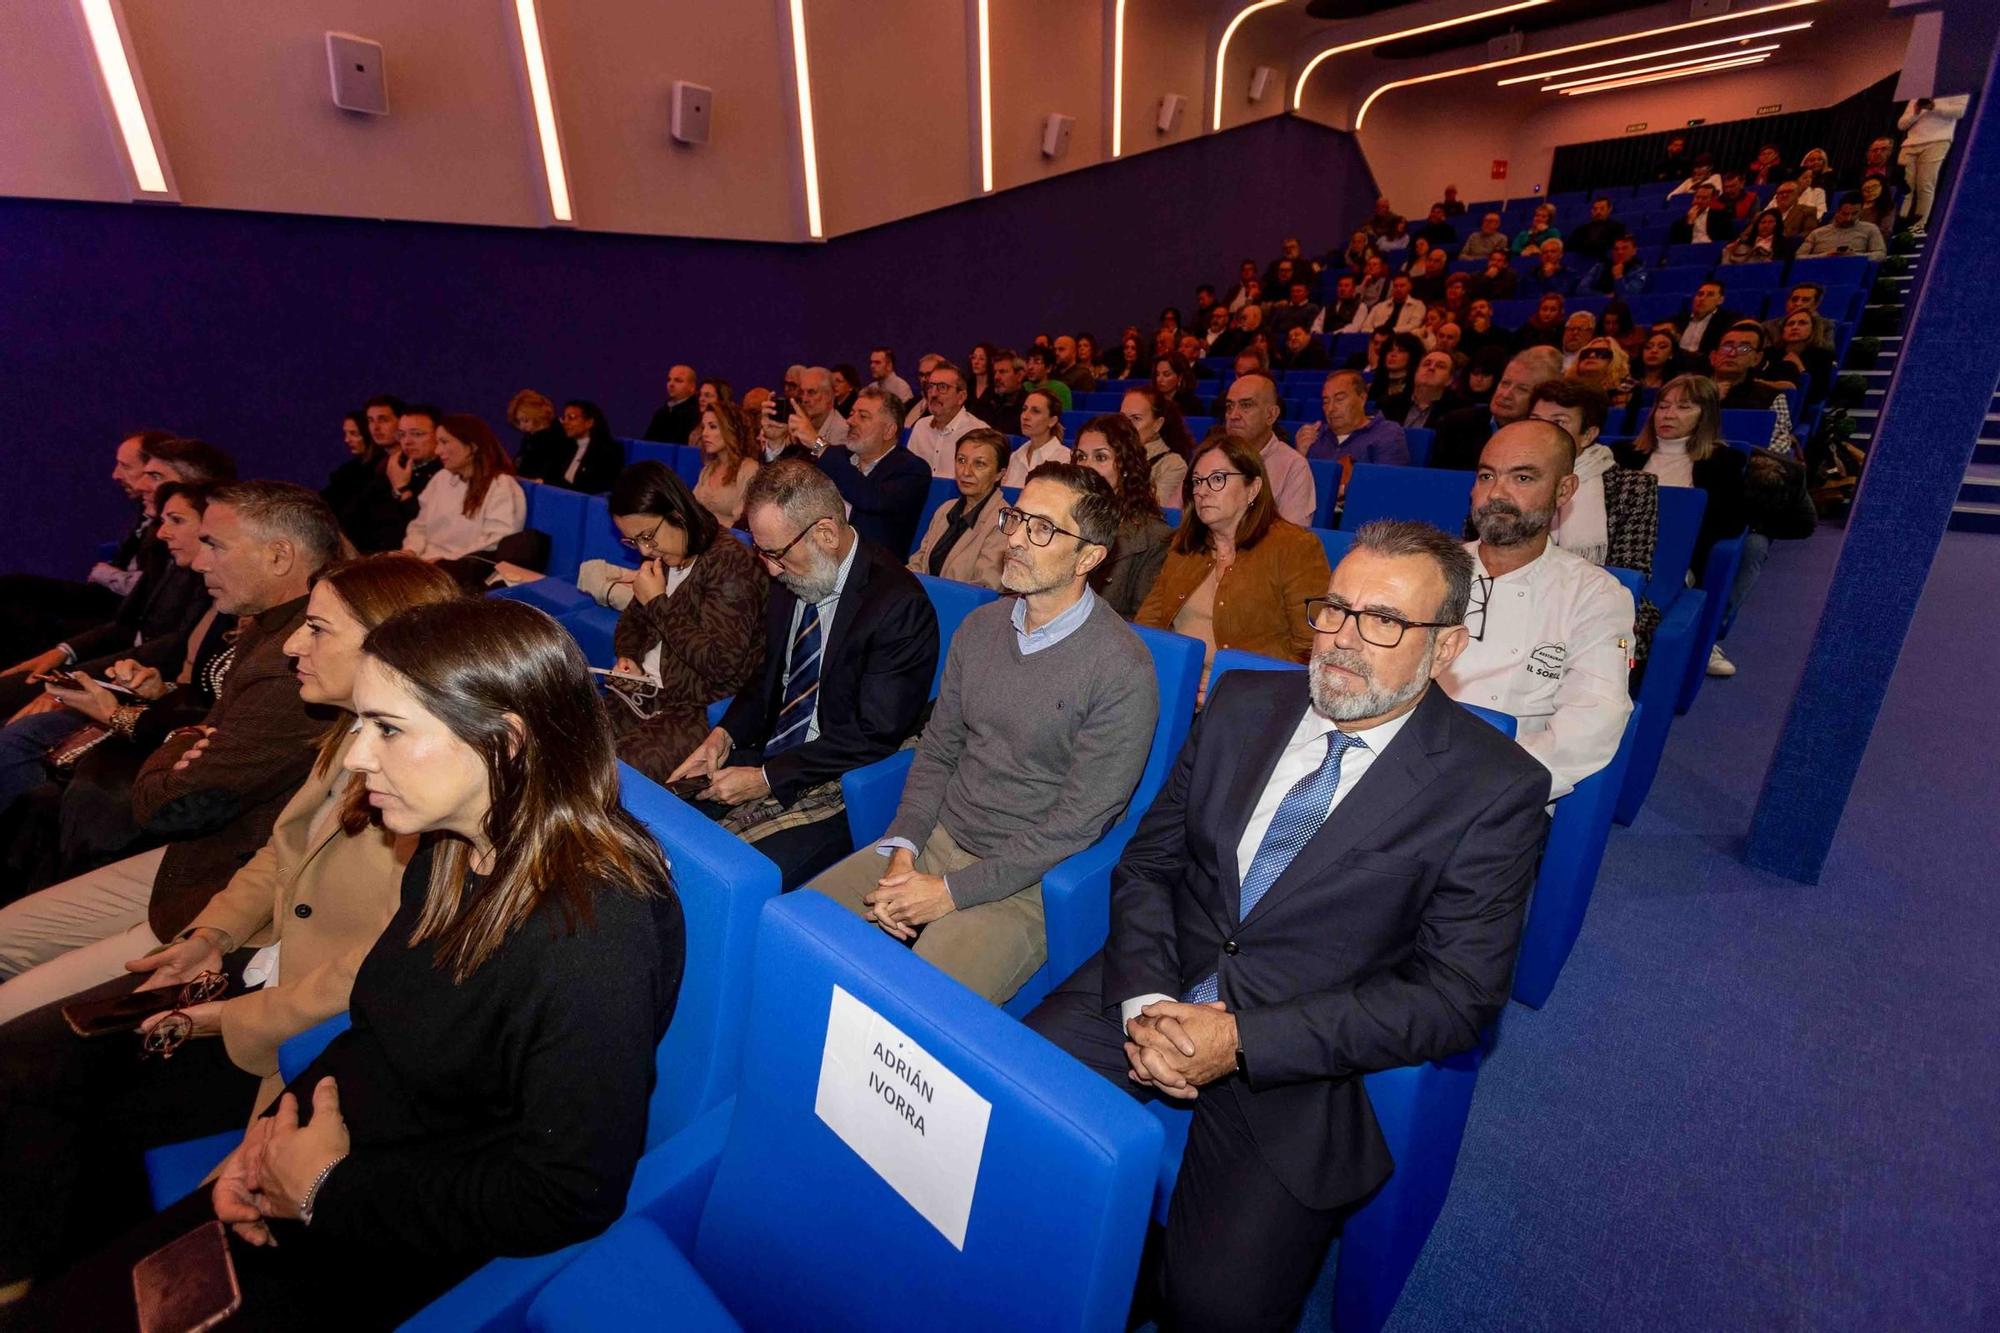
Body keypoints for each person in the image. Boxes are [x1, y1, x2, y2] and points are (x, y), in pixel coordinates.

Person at [16, 597, 685, 1328]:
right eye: (362, 722)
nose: (359, 755)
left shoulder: (594, 931)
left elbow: (568, 1192)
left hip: (412, 1219)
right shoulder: (452, 847)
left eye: (389, 729)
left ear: (507, 740)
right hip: (331, 1164)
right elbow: (376, 1035)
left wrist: (324, 1187)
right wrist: (265, 1139)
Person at [1027, 518, 1550, 1330]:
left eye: (1383, 621)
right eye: (1334, 608)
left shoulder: (1494, 789)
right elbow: (1150, 864)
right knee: (1006, 1139)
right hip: (1150, 983)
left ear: (1445, 648)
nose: (1341, 639)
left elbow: (1458, 997)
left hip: (1297, 1053)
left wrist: (1238, 1039)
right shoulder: (1243, 702)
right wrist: (1146, 1001)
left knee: (1215, 1307)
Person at [0, 555, 466, 1302]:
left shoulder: (433, 781)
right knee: (38, 1066)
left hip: (304, 1039)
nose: (290, 645)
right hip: (254, 972)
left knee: (48, 1081)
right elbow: (276, 860)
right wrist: (208, 935)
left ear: (390, 642)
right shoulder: (349, 732)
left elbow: (370, 973)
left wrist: (220, 1014)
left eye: (316, 628)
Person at [809, 465, 1156, 1003]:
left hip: (1026, 882)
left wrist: (948, 895)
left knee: (911, 1005)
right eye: (1016, 517)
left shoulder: (1121, 669)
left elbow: (1075, 825)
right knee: (803, 931)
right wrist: (904, 847)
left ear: (1089, 557)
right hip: (938, 839)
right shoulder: (982, 628)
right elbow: (939, 751)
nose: (1014, 536)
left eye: (1042, 528)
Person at [0, 484, 342, 1024]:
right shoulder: (269, 629)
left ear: (279, 555)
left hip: (219, 885)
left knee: (12, 1008)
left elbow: (175, 803)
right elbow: (200, 740)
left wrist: (174, 741)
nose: (199, 560)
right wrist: (180, 736)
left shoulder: (294, 657)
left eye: (216, 545)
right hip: (199, 863)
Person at [666, 463, 936, 890]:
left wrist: (767, 780)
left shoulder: (898, 605)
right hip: (771, 749)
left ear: (826, 533)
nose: (769, 569)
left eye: (774, 553)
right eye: (761, 552)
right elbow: (769, 675)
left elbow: (873, 735)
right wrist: (725, 736)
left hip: (840, 777)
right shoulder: (794, 572)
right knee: (665, 834)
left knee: (729, 878)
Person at [1440, 420, 1635, 799]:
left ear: (1564, 490)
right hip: (1402, 762)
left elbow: (1594, 720)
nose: (1496, 494)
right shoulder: (1432, 570)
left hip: (1501, 783)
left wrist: (1490, 782)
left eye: (1523, 478)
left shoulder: (1595, 596)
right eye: (1486, 476)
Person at [598, 462, 770, 782]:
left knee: (607, 776)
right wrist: (628, 658)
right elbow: (630, 625)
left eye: (647, 536)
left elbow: (719, 664)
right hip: (644, 693)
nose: (645, 550)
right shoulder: (663, 559)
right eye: (633, 542)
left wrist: (657, 603)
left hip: (694, 710)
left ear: (677, 512)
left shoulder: (731, 564)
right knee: (566, 736)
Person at [1137, 436, 1329, 699]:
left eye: (1217, 479)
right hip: (1174, 687)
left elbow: (1312, 646)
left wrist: (1226, 687)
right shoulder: (1186, 545)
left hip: (1250, 697)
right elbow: (1149, 623)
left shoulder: (1294, 547)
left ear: (1253, 489)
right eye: (1197, 481)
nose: (1202, 491)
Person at [1613, 374, 1748, 585]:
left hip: (1675, 563)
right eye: (1663, 407)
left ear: (1705, 416)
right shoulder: (1621, 454)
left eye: (1684, 408)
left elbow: (1729, 525)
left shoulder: (1723, 462)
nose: (1669, 415)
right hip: (1615, 556)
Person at [1530, 380, 1661, 578]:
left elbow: (1631, 570)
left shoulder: (1631, 487)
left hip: (1598, 593)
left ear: (1588, 435)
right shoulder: (1506, 476)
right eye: (1535, 420)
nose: (1541, 431)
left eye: (1559, 422)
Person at [1071, 415, 1174, 617]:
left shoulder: (1154, 538)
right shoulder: (1062, 521)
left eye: (1100, 457)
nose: (1086, 467)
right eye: (1081, 457)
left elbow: (1142, 623)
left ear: (1125, 467)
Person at [401, 414, 525, 580]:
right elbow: (420, 525)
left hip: (455, 572)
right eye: (438, 443)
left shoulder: (501, 486)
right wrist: (410, 550)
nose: (437, 451)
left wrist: (448, 561)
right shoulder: (441, 478)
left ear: (472, 446)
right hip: (425, 565)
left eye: (444, 442)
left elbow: (495, 540)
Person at [816, 387, 931, 557]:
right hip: (819, 556)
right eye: (852, 413)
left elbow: (870, 498)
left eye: (863, 416)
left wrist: (817, 444)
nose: (850, 421)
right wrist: (776, 443)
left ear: (888, 431)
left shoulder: (912, 470)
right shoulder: (838, 456)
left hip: (872, 570)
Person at [1428, 346, 1564, 472]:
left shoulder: (1544, 440)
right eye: (1505, 383)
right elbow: (1437, 481)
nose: (1505, 394)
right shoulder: (1455, 424)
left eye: (1522, 389)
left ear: (1540, 399)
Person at [909, 430, 1011, 590]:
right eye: (961, 460)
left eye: (979, 464)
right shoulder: (945, 509)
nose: (966, 472)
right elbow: (919, 563)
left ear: (999, 474)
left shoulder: (1004, 522)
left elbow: (986, 587)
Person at [1218, 375, 1316, 526]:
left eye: (1246, 405)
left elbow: (1293, 540)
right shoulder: (1211, 457)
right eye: (1229, 406)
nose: (1233, 416)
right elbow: (1175, 515)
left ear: (1271, 415)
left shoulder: (1293, 467)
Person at [1300, 369, 1411, 471]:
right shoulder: (1316, 436)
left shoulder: (1387, 433)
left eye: (1339, 399)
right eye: (1326, 402)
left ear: (1362, 398)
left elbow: (1388, 485)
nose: (1330, 408)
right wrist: (1300, 456)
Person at [905, 360, 990, 477]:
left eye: (942, 387)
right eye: (930, 387)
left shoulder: (979, 432)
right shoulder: (921, 426)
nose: (933, 394)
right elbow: (908, 473)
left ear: (961, 397)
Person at [1898, 94, 1969, 231]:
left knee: (1925, 185)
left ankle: (1918, 226)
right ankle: (1898, 223)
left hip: (1937, 141)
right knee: (1905, 188)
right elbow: (1901, 124)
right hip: (1910, 144)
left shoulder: (1958, 89)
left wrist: (1933, 106)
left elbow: (1960, 112)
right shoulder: (1919, 93)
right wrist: (1916, 111)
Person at [1121, 387, 1194, 510]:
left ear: (1157, 424)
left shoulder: (1173, 465)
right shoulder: (1108, 454)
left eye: (1136, 418)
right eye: (1122, 418)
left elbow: (1154, 516)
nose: (1125, 426)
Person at [690, 399, 761, 528]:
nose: (704, 434)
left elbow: (743, 524)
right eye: (703, 427)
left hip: (731, 544)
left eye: (712, 427)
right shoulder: (708, 470)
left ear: (730, 430)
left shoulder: (749, 469)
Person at [1005, 388, 1073, 487]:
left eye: (1035, 411)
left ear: (1052, 421)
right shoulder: (1015, 456)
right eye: (1024, 409)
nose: (1025, 416)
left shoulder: (1065, 459)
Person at [1706, 323, 1780, 410]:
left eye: (1744, 349)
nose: (1732, 354)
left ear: (1756, 359)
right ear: (1713, 356)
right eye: (1727, 347)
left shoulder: (1770, 397)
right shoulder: (1690, 388)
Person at [1797, 193, 1887, 260]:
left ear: (1860, 212)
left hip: (1852, 268)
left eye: (1854, 214)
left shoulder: (1870, 229)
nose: (1849, 218)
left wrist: (1855, 256)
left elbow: (1880, 254)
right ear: (1837, 212)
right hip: (1820, 267)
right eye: (1845, 214)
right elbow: (1798, 257)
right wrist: (1824, 256)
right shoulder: (1818, 233)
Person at [1398, 349, 1466, 431]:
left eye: (1440, 366)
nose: (1431, 368)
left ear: (1450, 380)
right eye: (1426, 364)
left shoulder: (1459, 412)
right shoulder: (1389, 405)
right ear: (1416, 372)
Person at [1674, 281, 1743, 358]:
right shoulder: (1678, 320)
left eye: (1710, 295)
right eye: (1700, 294)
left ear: (1720, 300)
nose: (1702, 298)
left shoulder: (1728, 321)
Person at [641, 364, 701, 444]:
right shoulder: (661, 413)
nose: (671, 384)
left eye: (678, 380)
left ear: (692, 387)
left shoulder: (697, 413)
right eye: (669, 380)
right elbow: (647, 443)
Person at [975, 347, 1029, 435]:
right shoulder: (987, 398)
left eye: (1002, 372)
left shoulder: (1027, 404)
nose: (996, 377)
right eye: (995, 372)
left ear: (1019, 376)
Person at [1352, 272, 1426, 335]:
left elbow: (1414, 325)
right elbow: (1365, 327)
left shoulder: (1418, 305)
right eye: (1395, 286)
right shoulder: (1380, 306)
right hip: (1376, 339)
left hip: (1401, 340)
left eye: (1402, 286)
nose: (1398, 289)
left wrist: (1389, 332)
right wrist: (1377, 334)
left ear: (1410, 287)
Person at [1722, 208, 1793, 266]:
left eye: (1770, 222)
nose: (1765, 226)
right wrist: (1728, 252)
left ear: (1777, 225)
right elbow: (1729, 266)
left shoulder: (1783, 244)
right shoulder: (1745, 243)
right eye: (1763, 222)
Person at [1584, 235, 1649, 296]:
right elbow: (1581, 289)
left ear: (1634, 251)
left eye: (1625, 248)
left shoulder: (1640, 271)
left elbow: (1630, 296)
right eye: (1616, 249)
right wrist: (1603, 296)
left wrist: (1618, 278)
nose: (1620, 252)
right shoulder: (1600, 267)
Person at [1022, 347, 1074, 413]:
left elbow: (1065, 417)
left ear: (1048, 368)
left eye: (1037, 362)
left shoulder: (1060, 389)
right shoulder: (1023, 387)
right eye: (1028, 362)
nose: (1030, 367)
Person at [1152, 352, 1204, 417]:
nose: (1159, 379)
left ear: (1180, 377)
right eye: (1157, 374)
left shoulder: (1192, 404)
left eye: (1166, 375)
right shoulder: (1150, 401)